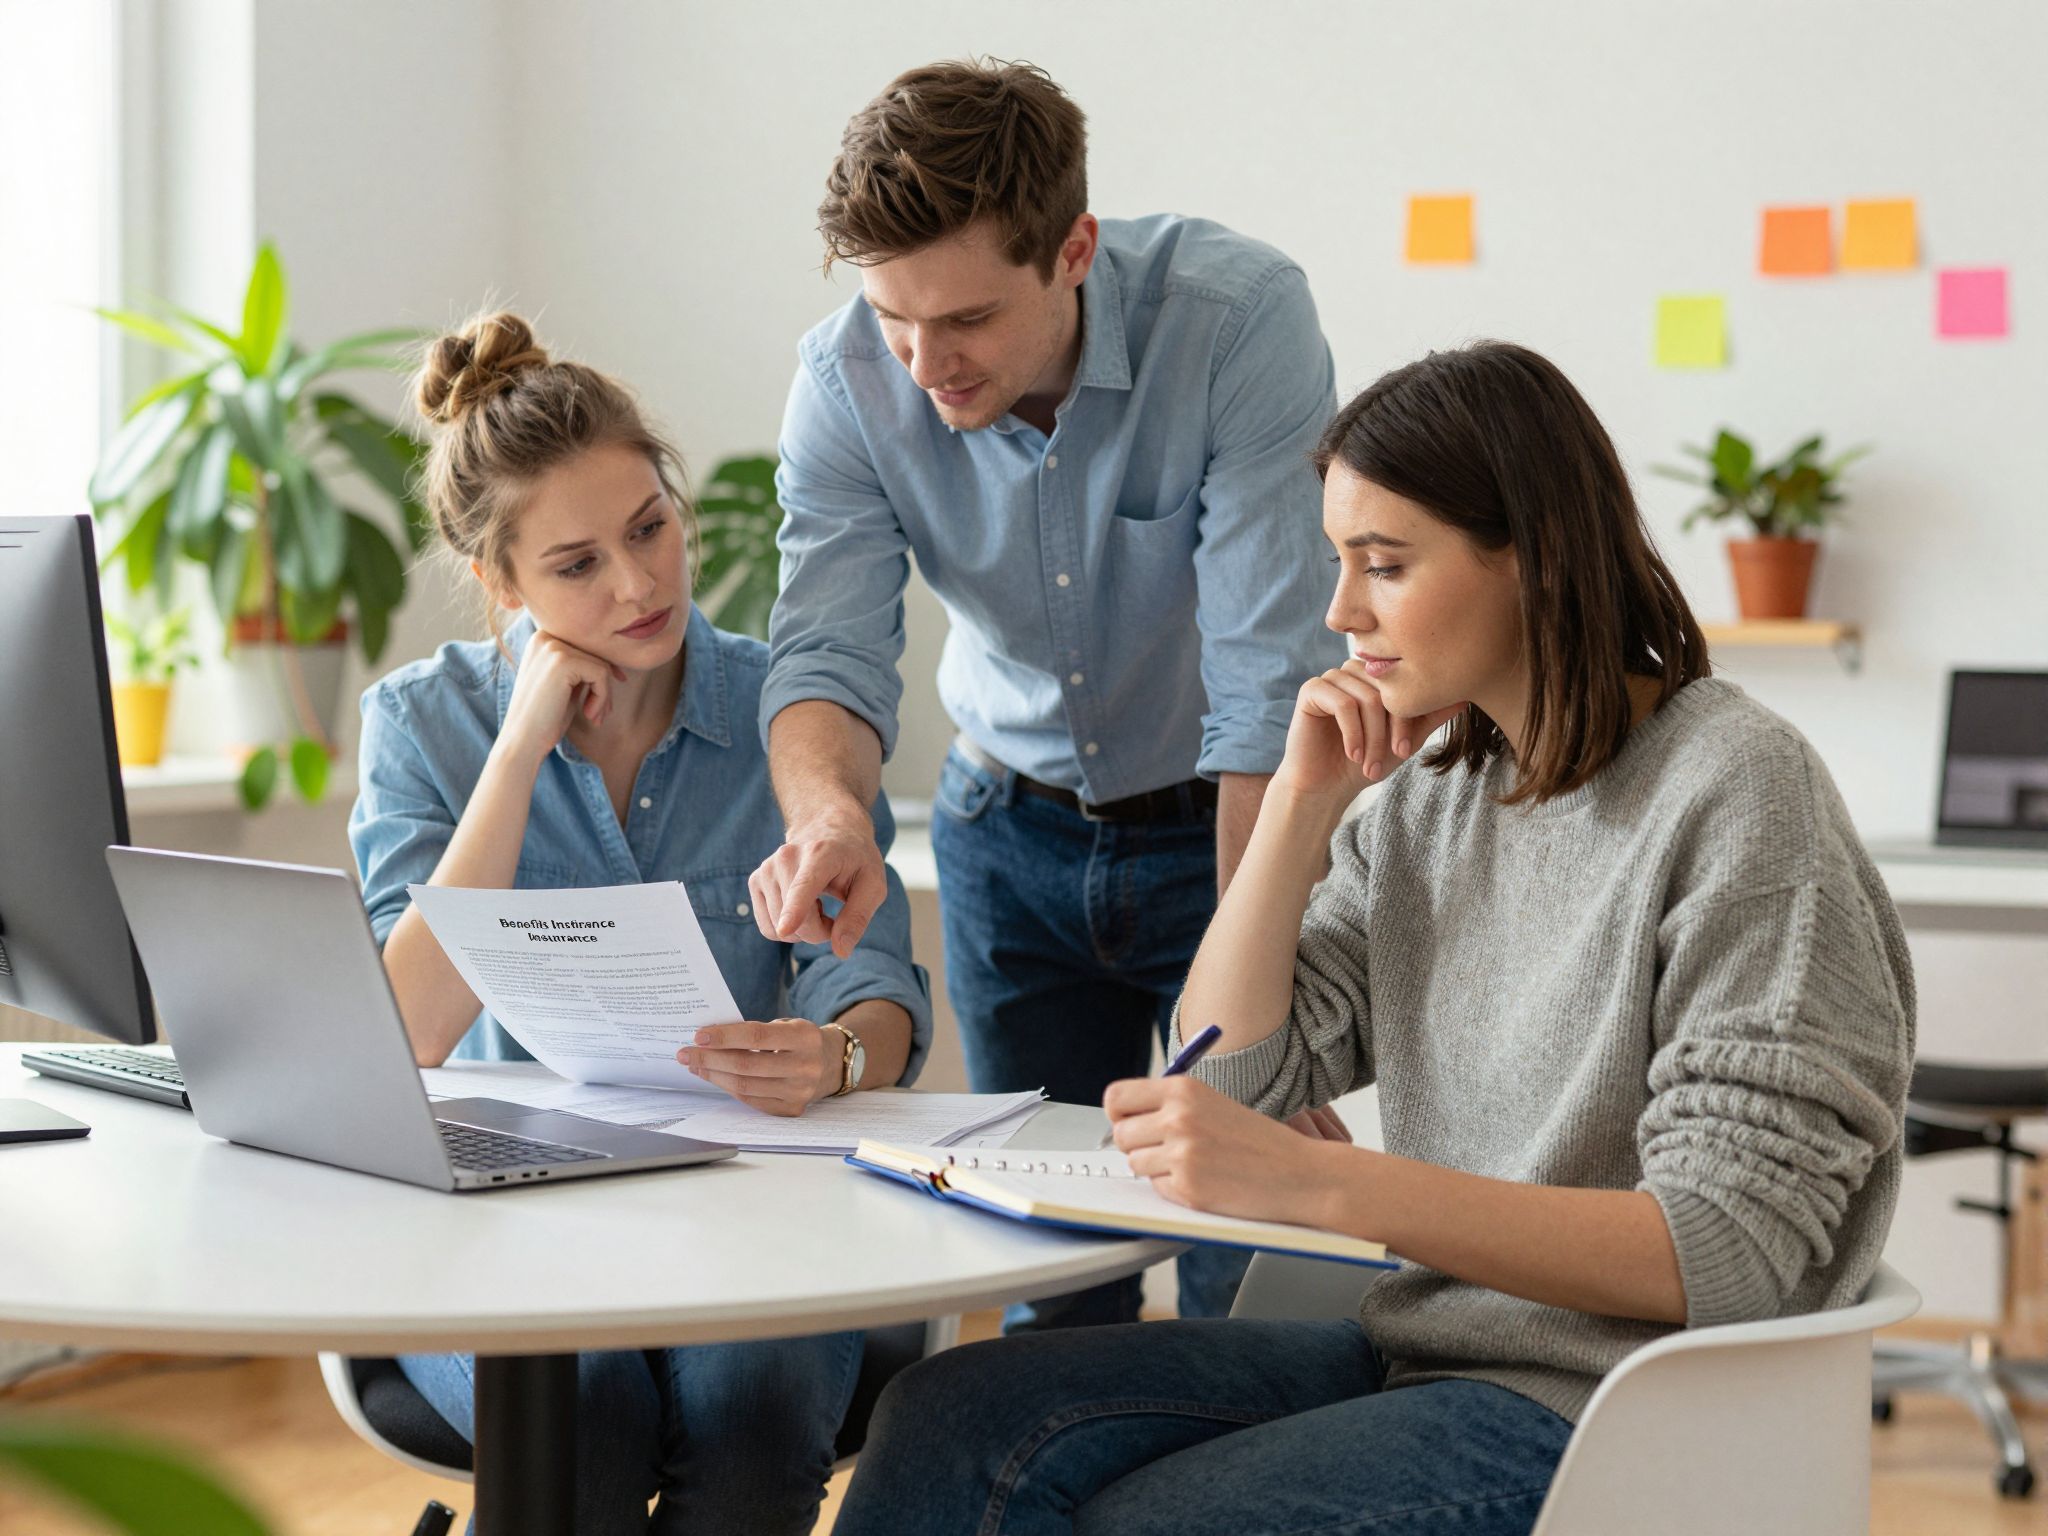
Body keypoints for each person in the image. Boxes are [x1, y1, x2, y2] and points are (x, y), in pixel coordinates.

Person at [830, 341, 1914, 1536]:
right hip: (1422, 1349)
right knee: (945, 1414)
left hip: (1621, 1408)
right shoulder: (1426, 800)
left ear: (1533, 561)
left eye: (1383, 565)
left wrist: (1322, 1183)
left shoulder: (1736, 792)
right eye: (1339, 561)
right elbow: (1231, 1074)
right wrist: (1297, 808)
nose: (1340, 610)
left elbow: (1719, 1248)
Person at [750, 58, 1341, 1330]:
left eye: (962, 321)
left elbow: (1264, 685)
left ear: (1071, 249)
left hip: (1216, 833)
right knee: (1041, 1268)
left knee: (1242, 1245)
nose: (923, 364)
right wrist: (832, 825)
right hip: (1004, 839)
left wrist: (1259, 994)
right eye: (894, 319)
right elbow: (826, 657)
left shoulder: (1235, 322)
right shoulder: (848, 377)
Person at [347, 311, 933, 1536]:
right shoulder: (425, 724)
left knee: (758, 1397)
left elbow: (874, 994)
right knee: (580, 1397)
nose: (639, 583)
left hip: (749, 1213)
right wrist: (518, 751)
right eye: (575, 566)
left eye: (649, 528)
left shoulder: (787, 713)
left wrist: (832, 1058)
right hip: (506, 1223)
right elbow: (409, 1031)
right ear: (501, 587)